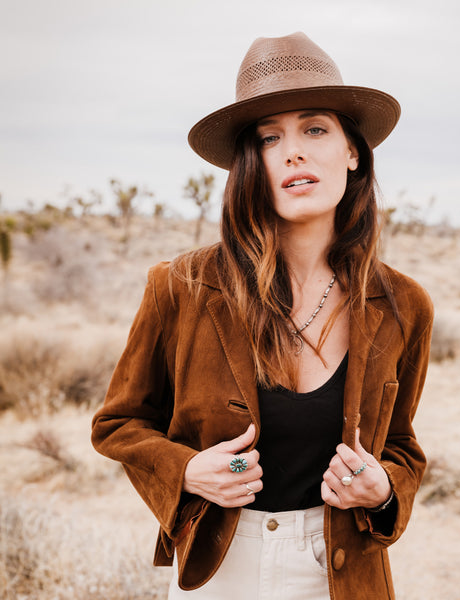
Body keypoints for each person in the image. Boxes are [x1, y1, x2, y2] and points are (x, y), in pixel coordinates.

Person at [91, 32, 433, 600]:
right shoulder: (183, 285)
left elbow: (401, 446)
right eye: (271, 138)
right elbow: (117, 425)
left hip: (341, 573)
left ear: (353, 151)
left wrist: (383, 491)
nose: (293, 151)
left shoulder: (403, 304)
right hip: (220, 568)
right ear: (252, 163)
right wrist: (185, 471)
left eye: (315, 128)